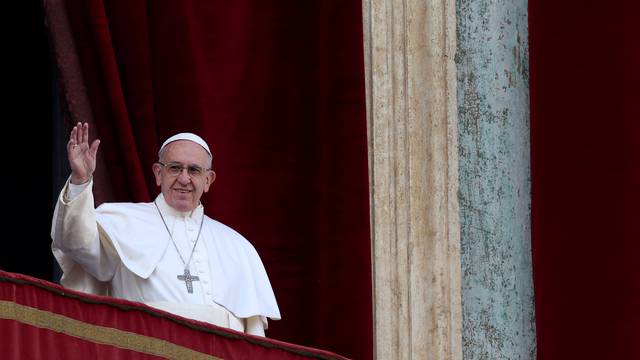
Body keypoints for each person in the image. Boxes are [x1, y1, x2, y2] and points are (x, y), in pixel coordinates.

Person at [51, 122, 280, 336]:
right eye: (174, 168)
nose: (184, 178)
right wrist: (80, 181)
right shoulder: (121, 220)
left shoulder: (238, 247)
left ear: (208, 180)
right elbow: (75, 243)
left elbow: (254, 338)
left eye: (194, 170)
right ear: (158, 174)